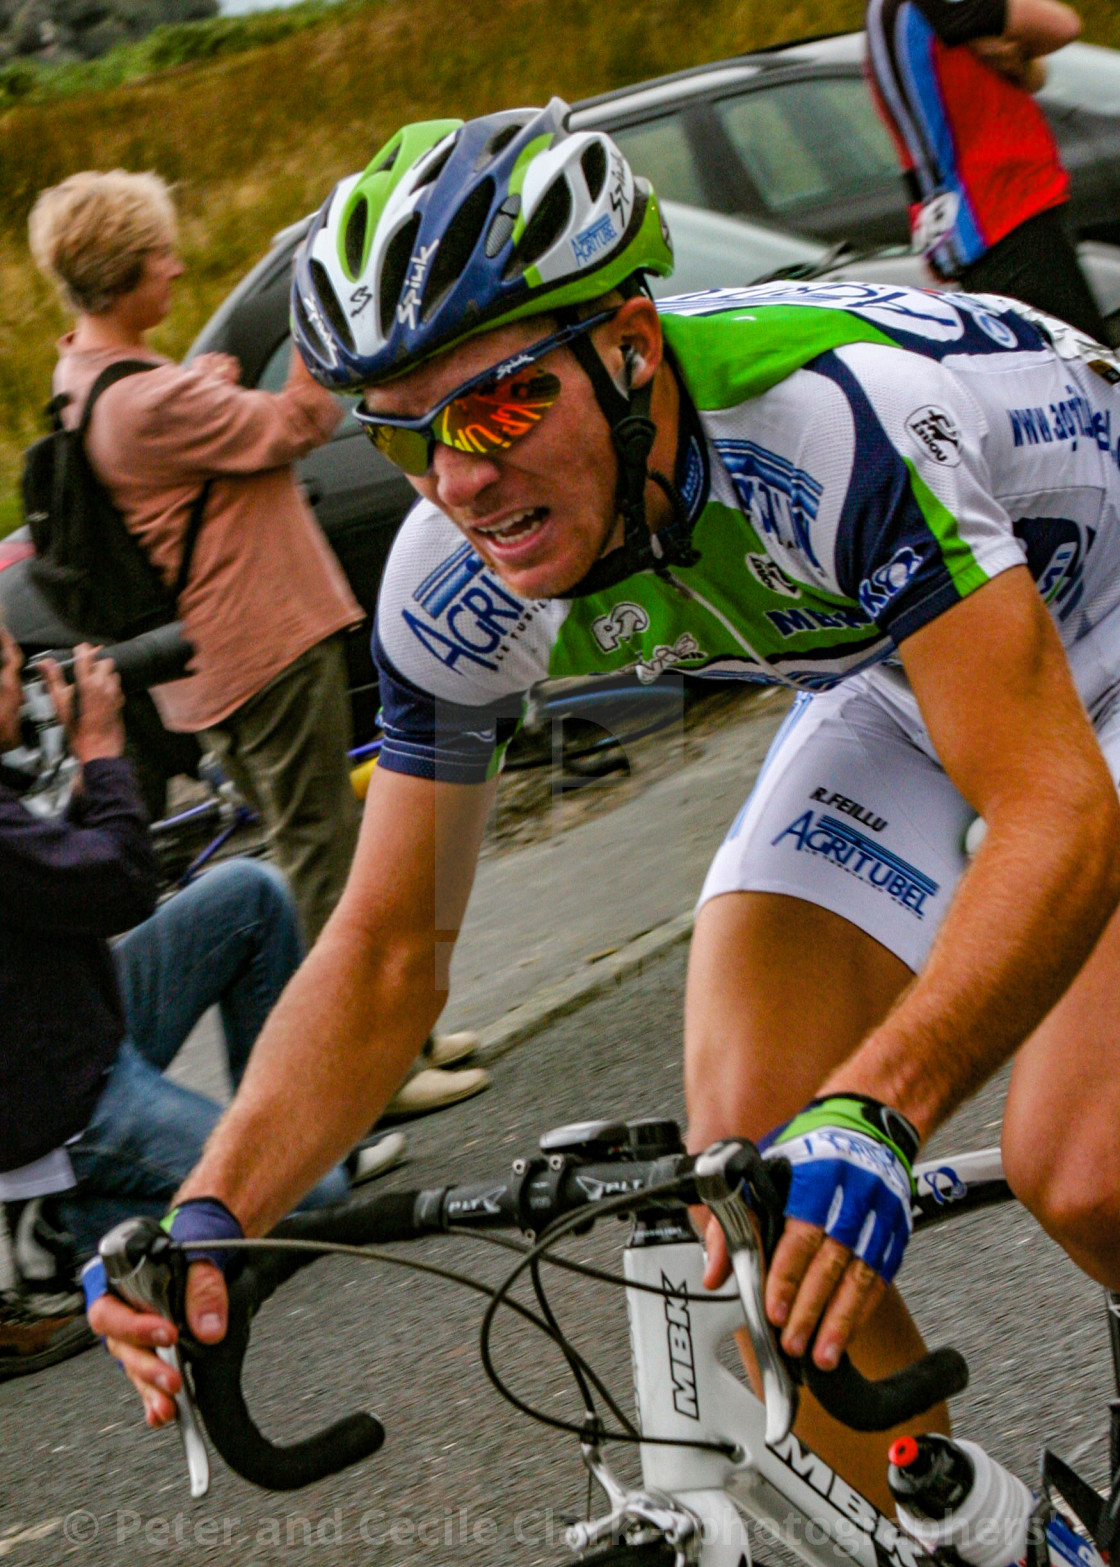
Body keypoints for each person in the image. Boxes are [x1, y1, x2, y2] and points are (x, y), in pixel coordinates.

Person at [90, 107, 1120, 1509]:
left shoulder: (831, 424)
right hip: (897, 658)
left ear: (630, 349)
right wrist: (214, 1210)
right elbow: (393, 947)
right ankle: (985, 1534)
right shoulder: (449, 586)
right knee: (749, 1184)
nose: (458, 480)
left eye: (498, 406)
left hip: (1094, 613)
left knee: (1088, 1162)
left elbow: (1057, 812)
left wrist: (884, 1102)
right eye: (404, 439)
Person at [27, 168, 487, 1120]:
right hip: (261, 645)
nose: (179, 264)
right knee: (321, 847)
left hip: (214, 660)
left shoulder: (88, 378)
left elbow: (172, 439)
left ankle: (399, 1031)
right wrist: (316, 327)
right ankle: (377, 1073)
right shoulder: (145, 401)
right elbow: (301, 422)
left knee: (323, 834)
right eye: (161, 256)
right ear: (123, 275)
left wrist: (201, 387)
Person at [0, 623, 403, 1380]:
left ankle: (287, 1119)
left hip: (77, 1020)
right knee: (314, 1192)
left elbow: (79, 850)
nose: (21, 671)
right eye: (4, 666)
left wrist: (65, 750)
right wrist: (98, 748)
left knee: (247, 895)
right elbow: (117, 880)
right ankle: (67, 1223)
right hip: (60, 1103)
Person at [865, 0, 1110, 342]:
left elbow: (1033, 74)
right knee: (1085, 369)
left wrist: (1019, 54)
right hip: (1004, 219)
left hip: (987, 222)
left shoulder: (892, 12)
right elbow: (1062, 25)